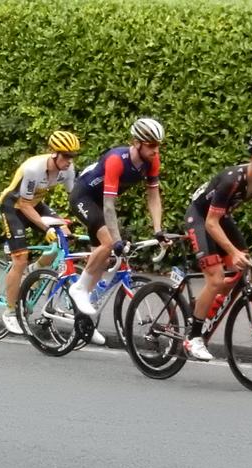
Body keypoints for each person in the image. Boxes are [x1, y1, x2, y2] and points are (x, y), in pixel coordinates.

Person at [181, 133, 252, 361]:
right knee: (216, 279)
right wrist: (232, 252)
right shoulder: (232, 179)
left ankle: (200, 310)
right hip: (200, 218)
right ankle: (193, 336)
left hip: (220, 218)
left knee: (241, 269)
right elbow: (210, 223)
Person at [67, 118, 168, 339]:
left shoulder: (152, 161)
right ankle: (78, 288)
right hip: (84, 197)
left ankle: (83, 320)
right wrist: (116, 240)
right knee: (108, 244)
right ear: (136, 143)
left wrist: (158, 230)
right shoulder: (116, 160)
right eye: (151, 145)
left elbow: (153, 195)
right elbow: (108, 206)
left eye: (158, 145)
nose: (155, 150)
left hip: (100, 203)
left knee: (103, 260)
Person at [0, 131, 80, 335]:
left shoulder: (67, 170)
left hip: (35, 204)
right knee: (20, 259)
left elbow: (76, 198)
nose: (69, 161)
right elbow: (24, 205)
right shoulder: (34, 169)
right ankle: (10, 311)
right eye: (66, 156)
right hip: (13, 207)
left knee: (65, 237)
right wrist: (47, 228)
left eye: (72, 156)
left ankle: (36, 270)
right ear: (54, 154)